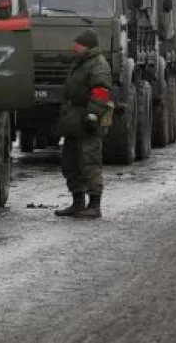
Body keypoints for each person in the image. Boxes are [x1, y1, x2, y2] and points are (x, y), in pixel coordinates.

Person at [55, 29, 112, 219]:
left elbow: (101, 92)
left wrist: (92, 116)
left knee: (89, 162)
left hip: (86, 120)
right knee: (71, 163)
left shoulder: (98, 65)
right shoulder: (80, 63)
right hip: (73, 121)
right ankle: (77, 202)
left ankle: (94, 205)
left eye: (77, 43)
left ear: (86, 46)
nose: (74, 46)